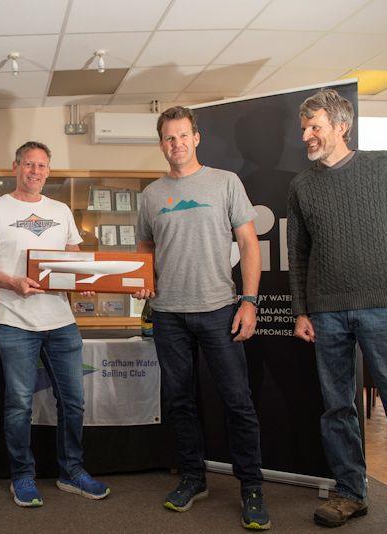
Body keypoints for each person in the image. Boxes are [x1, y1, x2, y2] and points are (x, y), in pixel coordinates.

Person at [288, 89, 387, 533]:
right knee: (337, 408)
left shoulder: (384, 165)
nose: (307, 135)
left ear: (340, 125)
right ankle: (351, 495)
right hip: (326, 312)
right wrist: (300, 311)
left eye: (315, 126)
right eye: (304, 128)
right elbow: (297, 254)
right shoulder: (302, 186)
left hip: (382, 307)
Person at [134, 106, 270, 530]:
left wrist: (249, 301)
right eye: (168, 138)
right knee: (179, 402)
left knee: (238, 402)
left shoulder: (225, 183)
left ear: (196, 137)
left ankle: (252, 486)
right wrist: (142, 280)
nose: (176, 145)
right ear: (162, 144)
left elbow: (249, 245)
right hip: (169, 314)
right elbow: (143, 249)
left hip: (218, 310)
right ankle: (194, 478)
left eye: (182, 136)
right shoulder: (151, 195)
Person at [0, 141, 110, 508]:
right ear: (15, 166)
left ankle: (72, 471)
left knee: (74, 402)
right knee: (19, 404)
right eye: (29, 164)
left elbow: (74, 258)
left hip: (61, 321)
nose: (35, 171)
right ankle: (22, 476)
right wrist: (13, 282)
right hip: (15, 321)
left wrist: (85, 282)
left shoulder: (60, 210)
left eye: (42, 165)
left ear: (48, 170)